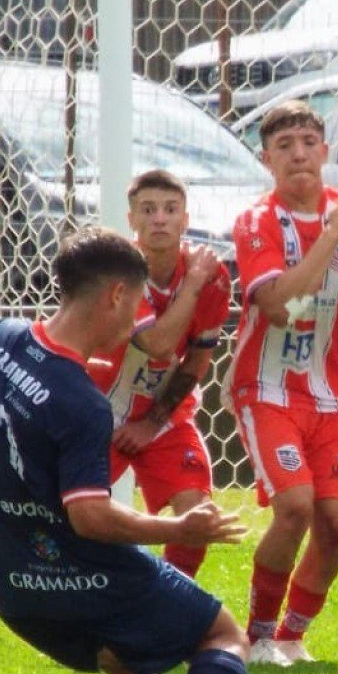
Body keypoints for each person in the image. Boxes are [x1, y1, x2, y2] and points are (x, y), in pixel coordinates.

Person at [0, 227, 293, 674]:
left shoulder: (1, 339)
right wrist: (178, 529)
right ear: (117, 296)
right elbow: (91, 519)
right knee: (221, 632)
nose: (140, 318)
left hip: (9, 586)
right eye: (141, 300)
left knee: (121, 659)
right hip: (80, 569)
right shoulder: (81, 402)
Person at [230, 100, 338, 667]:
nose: (299, 154)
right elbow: (279, 304)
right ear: (267, 159)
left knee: (334, 524)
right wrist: (330, 237)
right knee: (295, 508)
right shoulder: (257, 221)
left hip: (328, 392)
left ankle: (290, 636)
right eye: (285, 146)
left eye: (308, 141)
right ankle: (256, 638)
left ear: (326, 151)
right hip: (267, 388)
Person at [90, 169, 236, 580]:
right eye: (148, 210)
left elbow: (197, 359)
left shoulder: (215, 279)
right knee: (76, 517)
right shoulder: (117, 272)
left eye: (171, 210)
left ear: (185, 220)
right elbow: (157, 344)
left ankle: (169, 605)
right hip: (100, 412)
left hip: (164, 414)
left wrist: (153, 423)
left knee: (198, 518)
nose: (160, 219)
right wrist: (190, 286)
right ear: (132, 219)